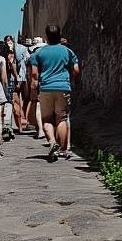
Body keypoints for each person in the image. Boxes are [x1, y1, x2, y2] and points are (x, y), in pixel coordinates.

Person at [30, 24, 79, 162]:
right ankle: (64, 149)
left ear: (46, 37)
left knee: (47, 119)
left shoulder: (38, 53)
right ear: (59, 35)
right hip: (63, 87)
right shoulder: (68, 51)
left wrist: (35, 86)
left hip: (46, 88)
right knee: (62, 118)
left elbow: (34, 74)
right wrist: (72, 79)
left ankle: (52, 142)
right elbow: (76, 70)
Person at [13, 35, 30, 133]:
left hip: (17, 78)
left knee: (17, 101)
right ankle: (23, 121)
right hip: (23, 77)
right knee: (24, 99)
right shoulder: (24, 49)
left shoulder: (19, 50)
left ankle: (21, 122)